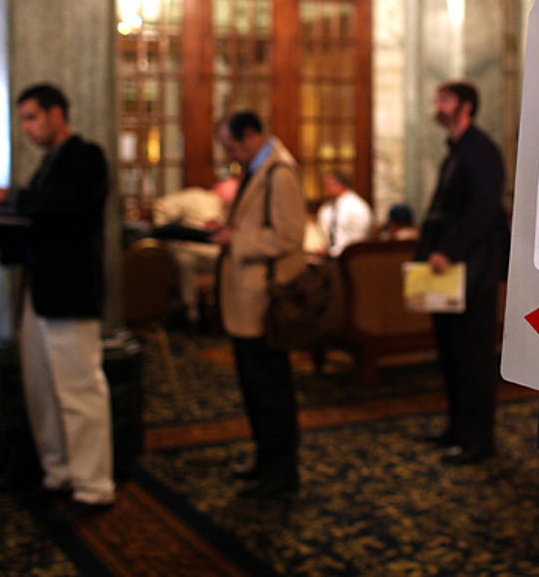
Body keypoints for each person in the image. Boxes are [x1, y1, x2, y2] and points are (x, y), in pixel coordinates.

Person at [0, 83, 115, 519]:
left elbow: (69, 212)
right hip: (41, 291)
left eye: (32, 117)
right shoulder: (47, 165)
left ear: (58, 113)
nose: (27, 128)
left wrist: (12, 198)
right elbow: (43, 229)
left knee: (79, 390)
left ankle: (94, 486)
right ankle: (60, 474)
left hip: (70, 292)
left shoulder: (86, 156)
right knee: (42, 390)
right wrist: (6, 249)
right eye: (22, 120)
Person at [211, 111, 307, 497]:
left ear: (251, 135)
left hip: (263, 301)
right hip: (245, 299)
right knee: (254, 389)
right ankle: (265, 461)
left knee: (271, 390)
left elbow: (288, 236)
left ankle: (282, 471)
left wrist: (236, 239)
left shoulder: (279, 172)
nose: (229, 154)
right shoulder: (257, 168)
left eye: (232, 146)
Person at [415, 80, 510, 465]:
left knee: (473, 357)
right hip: (448, 268)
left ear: (465, 106)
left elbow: (484, 210)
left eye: (446, 99)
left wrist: (450, 250)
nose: (438, 105)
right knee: (451, 353)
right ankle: (456, 428)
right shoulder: (456, 150)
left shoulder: (481, 150)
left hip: (473, 269)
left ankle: (477, 439)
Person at [151, 177, 239, 327]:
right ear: (219, 188)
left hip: (211, 253)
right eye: (231, 192)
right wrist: (166, 231)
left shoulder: (226, 210)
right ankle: (190, 313)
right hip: (189, 250)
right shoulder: (198, 197)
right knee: (185, 260)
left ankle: (221, 312)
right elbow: (161, 207)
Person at [315, 171, 373, 257]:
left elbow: (358, 238)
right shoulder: (326, 207)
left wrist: (334, 251)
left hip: (349, 257)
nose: (325, 189)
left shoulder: (357, 207)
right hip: (326, 256)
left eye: (328, 185)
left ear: (339, 184)